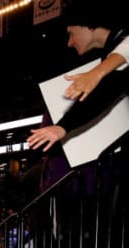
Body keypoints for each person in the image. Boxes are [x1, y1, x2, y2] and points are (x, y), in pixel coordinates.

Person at [27, 0, 128, 153]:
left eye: (71, 34)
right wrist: (63, 127)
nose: (70, 42)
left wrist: (97, 73)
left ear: (89, 25)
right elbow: (101, 96)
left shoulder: (121, 41)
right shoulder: (111, 53)